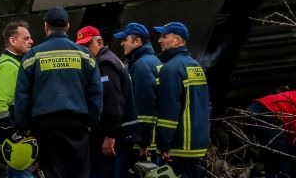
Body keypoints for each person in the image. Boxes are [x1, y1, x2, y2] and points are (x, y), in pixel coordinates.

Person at [13, 6, 103, 178]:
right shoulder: (85, 55)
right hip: (78, 127)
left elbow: (22, 95)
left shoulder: (33, 56)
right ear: (68, 26)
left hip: (46, 129)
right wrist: (92, 121)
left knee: (53, 172)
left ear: (46, 26)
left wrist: (24, 126)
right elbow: (96, 92)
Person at [76, 27, 136, 178]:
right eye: (80, 47)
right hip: (116, 133)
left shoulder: (105, 64)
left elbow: (112, 102)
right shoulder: (108, 60)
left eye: (87, 45)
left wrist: (110, 136)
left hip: (112, 137)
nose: (84, 50)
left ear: (99, 42)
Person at [152, 22, 210, 178]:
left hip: (179, 146)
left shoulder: (170, 69)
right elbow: (206, 105)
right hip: (197, 143)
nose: (159, 41)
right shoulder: (195, 66)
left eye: (164, 36)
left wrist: (164, 144)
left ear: (177, 40)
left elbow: (168, 110)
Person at [0, 21, 34, 178]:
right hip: (14, 134)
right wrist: (9, 131)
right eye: (26, 38)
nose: (31, 41)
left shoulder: (16, 62)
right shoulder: (8, 66)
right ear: (13, 41)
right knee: (20, 171)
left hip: (17, 131)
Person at [114, 21, 161, 169]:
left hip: (142, 142)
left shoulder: (142, 67)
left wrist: (142, 144)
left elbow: (145, 108)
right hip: (152, 138)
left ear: (137, 42)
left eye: (125, 40)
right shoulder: (152, 61)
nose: (122, 44)